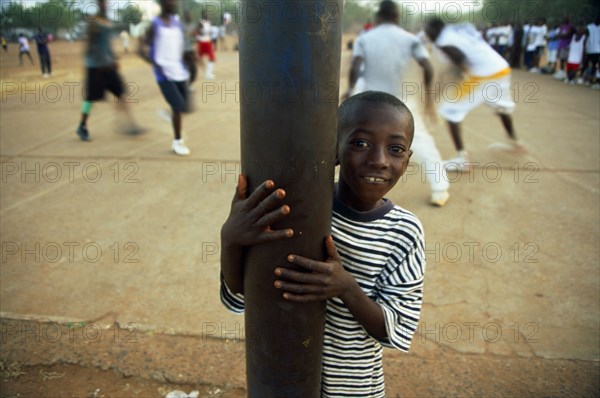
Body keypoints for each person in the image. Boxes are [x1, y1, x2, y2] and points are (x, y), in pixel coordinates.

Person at [220, 91, 425, 397]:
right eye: (360, 143)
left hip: (353, 390)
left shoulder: (404, 231)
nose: (379, 160)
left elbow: (395, 330)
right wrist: (231, 239)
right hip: (284, 379)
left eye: (395, 149)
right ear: (334, 149)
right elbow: (243, 294)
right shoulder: (299, 210)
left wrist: (346, 288)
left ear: (407, 161)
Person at [344, 0, 450, 206]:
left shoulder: (365, 38)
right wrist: (428, 96)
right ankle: (440, 189)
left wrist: (349, 89)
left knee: (361, 145)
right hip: (399, 103)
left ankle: (358, 190)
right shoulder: (409, 39)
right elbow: (427, 66)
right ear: (396, 17)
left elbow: (356, 65)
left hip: (370, 103)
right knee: (421, 143)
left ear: (378, 17)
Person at [425, 18, 524, 171]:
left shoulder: (443, 40)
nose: (427, 35)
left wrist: (439, 91)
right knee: (501, 107)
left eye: (428, 32)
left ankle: (462, 160)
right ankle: (516, 143)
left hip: (484, 74)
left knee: (450, 110)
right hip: (500, 68)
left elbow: (458, 63)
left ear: (435, 30)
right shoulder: (455, 30)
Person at [76, 0, 143, 141]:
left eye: (106, 3)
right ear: (97, 4)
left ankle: (130, 124)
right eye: (101, 3)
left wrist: (113, 58)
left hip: (108, 66)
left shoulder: (106, 20)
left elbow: (107, 43)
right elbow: (91, 45)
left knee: (122, 93)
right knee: (90, 98)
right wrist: (101, 62)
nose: (104, 5)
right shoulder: (94, 22)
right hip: (95, 67)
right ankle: (82, 126)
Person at [139, 0, 191, 156]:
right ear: (162, 3)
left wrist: (189, 60)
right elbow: (140, 48)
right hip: (163, 74)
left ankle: (169, 114)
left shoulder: (177, 23)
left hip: (179, 71)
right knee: (177, 107)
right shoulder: (154, 25)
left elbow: (181, 46)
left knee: (184, 107)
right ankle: (177, 142)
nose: (174, 3)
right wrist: (153, 62)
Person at [197, 11, 216, 79]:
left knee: (212, 58)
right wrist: (205, 32)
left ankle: (208, 73)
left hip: (208, 41)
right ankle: (206, 72)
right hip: (202, 41)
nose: (208, 16)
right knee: (198, 58)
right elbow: (199, 32)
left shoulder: (209, 22)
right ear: (203, 15)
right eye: (206, 14)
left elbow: (208, 33)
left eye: (208, 15)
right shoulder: (200, 22)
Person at [585, 16, 600, 88]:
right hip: (590, 50)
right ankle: (588, 79)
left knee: (595, 66)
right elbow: (585, 38)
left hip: (598, 50)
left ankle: (593, 80)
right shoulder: (589, 27)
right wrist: (585, 49)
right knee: (588, 65)